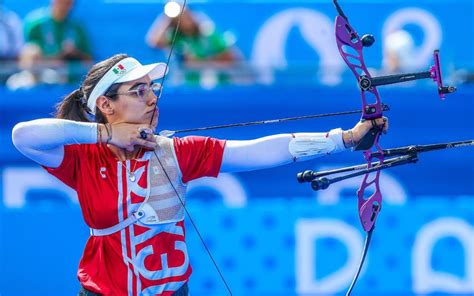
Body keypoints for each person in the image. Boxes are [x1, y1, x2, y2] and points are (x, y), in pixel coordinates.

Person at [11, 54, 388, 296]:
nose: (152, 98)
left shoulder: (177, 152)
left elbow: (259, 150)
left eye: (152, 88)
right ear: (106, 105)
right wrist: (106, 134)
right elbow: (23, 135)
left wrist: (346, 138)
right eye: (138, 91)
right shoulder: (84, 159)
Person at [146, 4, 242, 86]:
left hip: (215, 85)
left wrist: (200, 62)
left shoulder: (208, 32)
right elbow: (154, 42)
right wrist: (167, 17)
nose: (185, 19)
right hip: (187, 86)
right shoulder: (175, 37)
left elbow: (232, 58)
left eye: (186, 15)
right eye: (180, 17)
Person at [9, 0, 91, 88]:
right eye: (61, 2)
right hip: (38, 76)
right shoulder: (35, 24)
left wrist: (74, 53)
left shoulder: (76, 27)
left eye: (68, 3)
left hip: (69, 81)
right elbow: (27, 56)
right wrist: (56, 58)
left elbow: (88, 60)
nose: (64, 6)